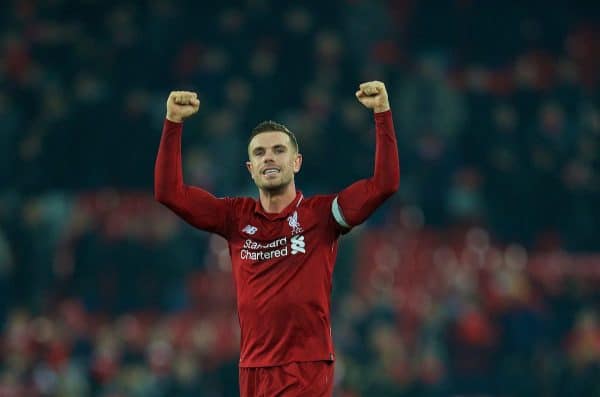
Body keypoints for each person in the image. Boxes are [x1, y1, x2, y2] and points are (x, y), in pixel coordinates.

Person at [154, 81, 399, 396]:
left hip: (305, 367)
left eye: (279, 150)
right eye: (260, 152)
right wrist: (173, 121)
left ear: (296, 162)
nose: (269, 157)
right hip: (253, 369)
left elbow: (384, 184)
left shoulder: (322, 215)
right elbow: (168, 192)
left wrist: (382, 113)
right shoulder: (235, 217)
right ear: (251, 169)